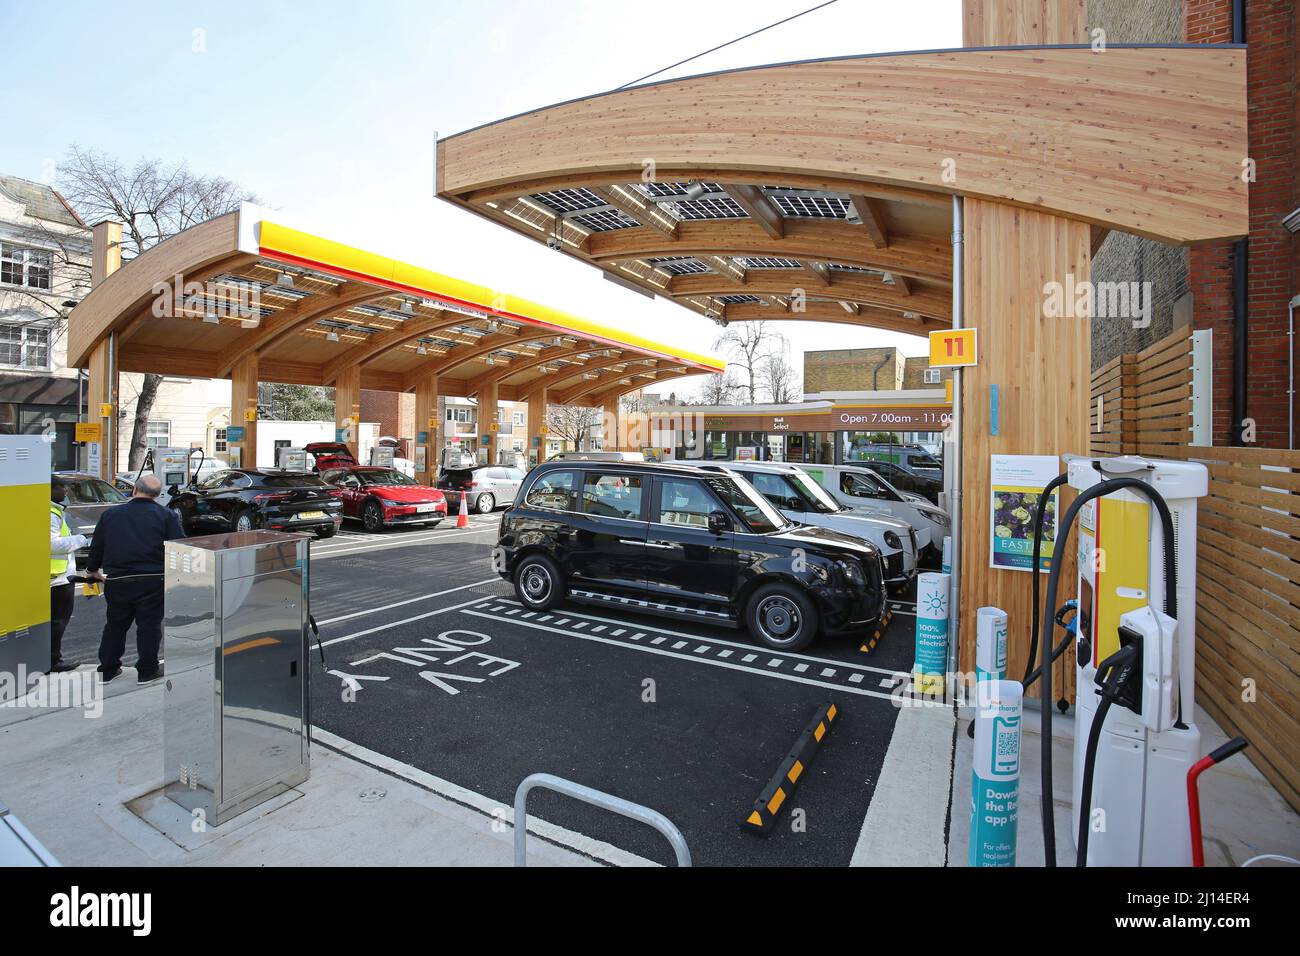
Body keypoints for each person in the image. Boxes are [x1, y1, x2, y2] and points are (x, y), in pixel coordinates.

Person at [85, 474, 185, 684]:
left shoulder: (110, 515)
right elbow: (179, 547)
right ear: (157, 495)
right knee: (149, 626)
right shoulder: (166, 515)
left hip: (117, 579)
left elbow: (97, 546)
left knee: (115, 625)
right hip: (153, 579)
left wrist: (93, 570)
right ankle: (147, 671)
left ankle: (108, 669)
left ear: (134, 490)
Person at [49, 477, 90, 673]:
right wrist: (82, 539)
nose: (65, 492)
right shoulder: (50, 513)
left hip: (56, 575)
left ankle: (50, 658)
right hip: (57, 578)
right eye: (60, 488)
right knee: (58, 621)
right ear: (49, 489)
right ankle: (53, 660)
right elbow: (52, 544)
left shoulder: (53, 511)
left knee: (54, 621)